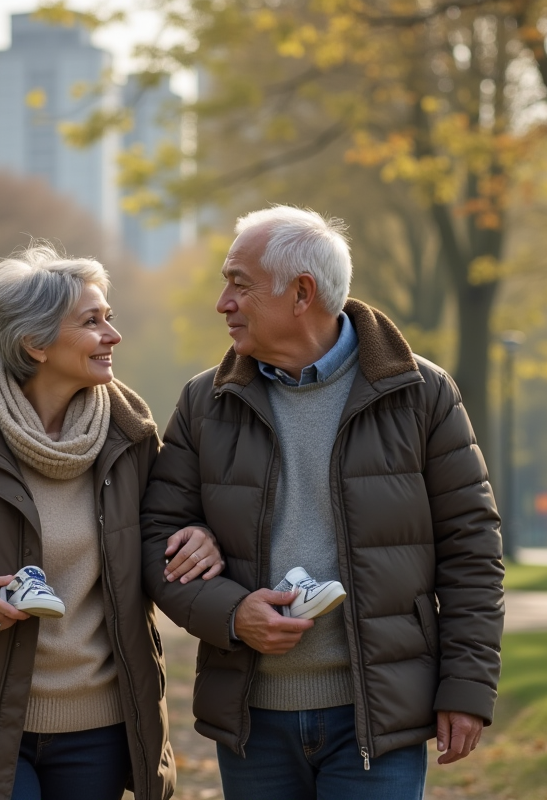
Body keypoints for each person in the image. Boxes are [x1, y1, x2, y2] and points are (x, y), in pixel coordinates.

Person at [140, 206, 505, 800]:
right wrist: (233, 613)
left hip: (376, 718)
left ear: (301, 292)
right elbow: (156, 539)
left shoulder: (422, 394)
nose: (222, 302)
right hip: (252, 722)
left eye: (239, 284)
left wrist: (467, 688)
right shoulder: (205, 402)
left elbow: (472, 551)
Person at [0, 244, 223, 800]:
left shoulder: (133, 440)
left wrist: (200, 534)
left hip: (101, 729)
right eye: (92, 322)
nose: (113, 335)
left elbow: (164, 531)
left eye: (110, 318)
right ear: (35, 342)